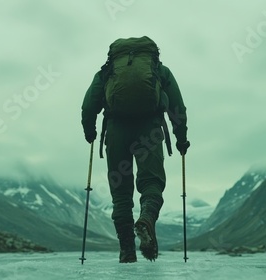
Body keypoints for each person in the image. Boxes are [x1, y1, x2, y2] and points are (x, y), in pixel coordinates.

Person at [81, 36, 189, 263]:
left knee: (121, 194)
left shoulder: (107, 72)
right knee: (151, 182)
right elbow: (177, 107)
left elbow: (89, 104)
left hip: (116, 130)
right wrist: (181, 139)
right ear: (152, 54)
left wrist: (89, 131)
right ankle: (147, 217)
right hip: (149, 130)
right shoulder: (160, 70)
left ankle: (127, 251)